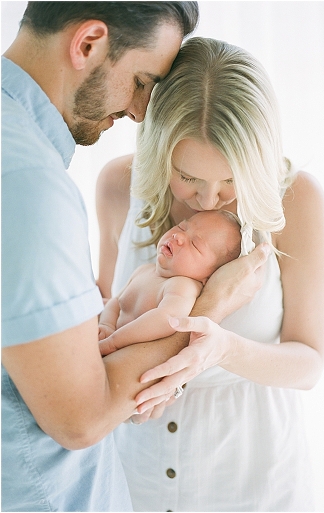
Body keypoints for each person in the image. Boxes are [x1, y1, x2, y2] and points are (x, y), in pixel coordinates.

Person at [95, 37, 324, 511]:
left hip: (251, 471)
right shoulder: (119, 185)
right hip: (134, 468)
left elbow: (309, 364)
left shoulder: (296, 200)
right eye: (187, 177)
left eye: (230, 179)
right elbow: (103, 312)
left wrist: (222, 349)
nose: (207, 199)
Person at [1, 3, 203, 511]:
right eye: (141, 82)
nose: (141, 112)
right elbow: (81, 420)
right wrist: (212, 307)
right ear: (87, 43)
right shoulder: (29, 182)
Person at [98, 210, 241, 356]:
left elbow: (166, 320)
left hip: (131, 355)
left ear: (210, 276)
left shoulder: (183, 286)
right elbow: (116, 302)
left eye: (194, 244)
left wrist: (114, 341)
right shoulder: (144, 271)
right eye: (182, 227)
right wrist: (106, 325)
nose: (178, 236)